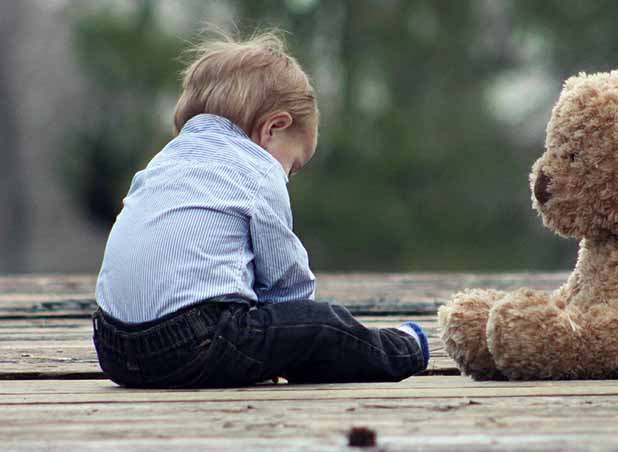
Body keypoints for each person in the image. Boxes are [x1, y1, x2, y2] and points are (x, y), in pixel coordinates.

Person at [92, 29, 428, 388]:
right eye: (293, 166)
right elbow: (286, 281)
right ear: (273, 128)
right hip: (193, 345)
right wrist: (297, 330)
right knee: (324, 325)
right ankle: (404, 348)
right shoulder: (257, 169)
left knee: (271, 331)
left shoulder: (162, 163)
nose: (287, 177)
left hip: (113, 349)